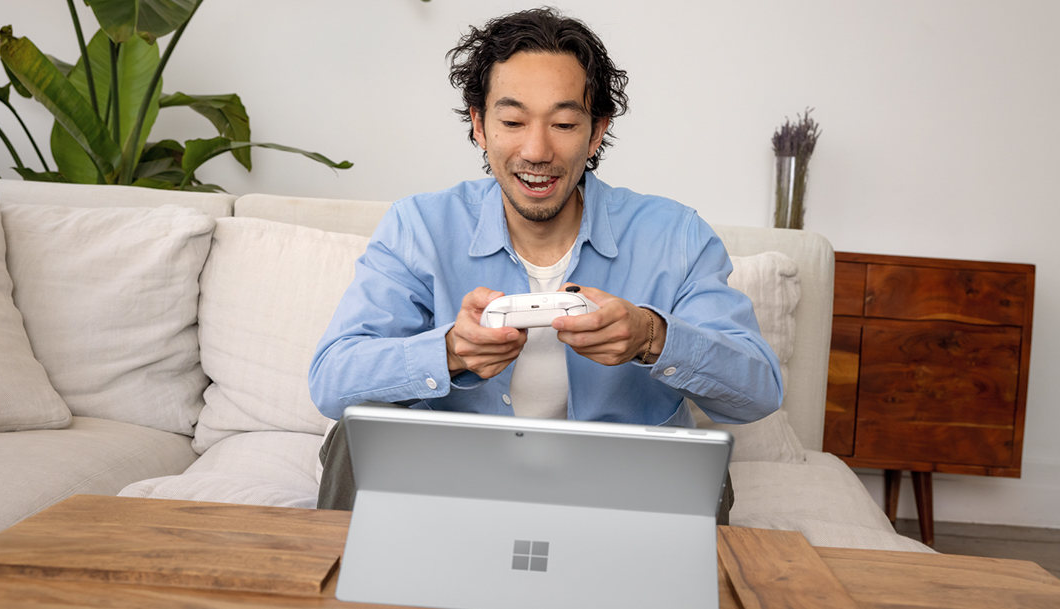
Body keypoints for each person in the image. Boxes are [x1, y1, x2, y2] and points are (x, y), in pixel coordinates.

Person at [308, 7, 783, 524]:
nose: (537, 150)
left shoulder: (676, 235)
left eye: (563, 123)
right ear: (479, 126)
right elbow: (332, 383)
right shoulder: (419, 226)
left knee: (708, 471)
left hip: (616, 490)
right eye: (512, 122)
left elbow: (758, 395)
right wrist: (448, 352)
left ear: (596, 132)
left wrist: (652, 336)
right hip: (458, 481)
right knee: (355, 433)